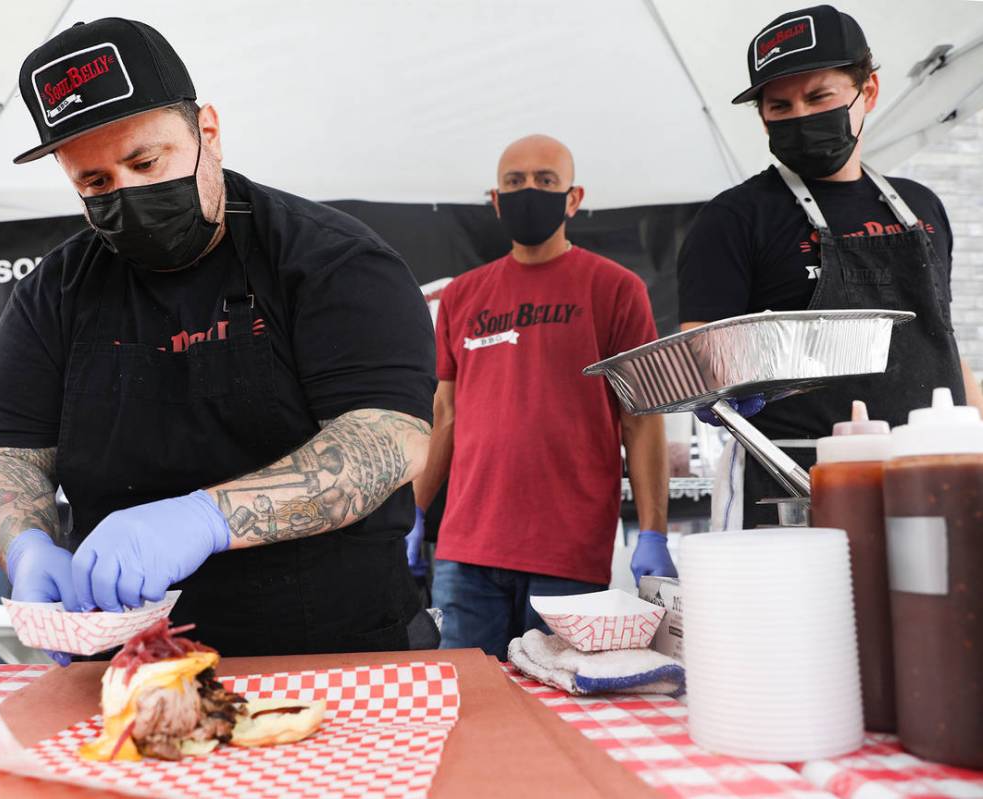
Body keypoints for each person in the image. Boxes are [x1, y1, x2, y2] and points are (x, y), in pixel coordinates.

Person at [0, 17, 437, 662]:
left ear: (206, 130)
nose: (126, 193)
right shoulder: (55, 291)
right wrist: (25, 544)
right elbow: (6, 455)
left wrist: (202, 519)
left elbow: (389, 435)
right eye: (95, 183)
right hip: (132, 657)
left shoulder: (332, 260)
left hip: (334, 649)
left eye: (144, 161)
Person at [679, 4, 983, 529]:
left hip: (930, 476)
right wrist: (720, 388)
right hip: (792, 483)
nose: (800, 116)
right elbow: (700, 355)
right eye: (780, 106)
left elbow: (943, 344)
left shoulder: (922, 207)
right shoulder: (733, 218)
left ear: (867, 92)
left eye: (819, 97)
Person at [414, 134, 675, 661]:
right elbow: (445, 414)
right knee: (469, 707)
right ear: (495, 199)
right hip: (467, 552)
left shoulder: (616, 289)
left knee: (560, 711)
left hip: (567, 553)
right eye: (515, 182)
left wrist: (655, 531)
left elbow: (641, 418)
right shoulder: (463, 295)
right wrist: (413, 511)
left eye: (545, 181)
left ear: (573, 198)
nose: (529, 191)